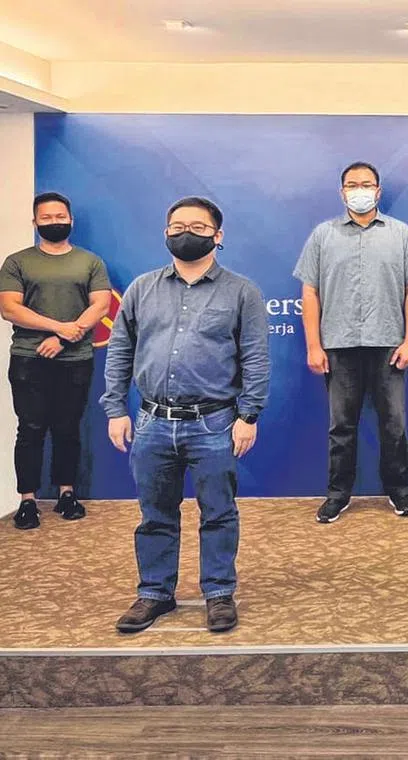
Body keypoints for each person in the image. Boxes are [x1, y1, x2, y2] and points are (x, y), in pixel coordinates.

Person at [102, 197, 269, 634]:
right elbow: (120, 349)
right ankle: (155, 592)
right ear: (165, 233)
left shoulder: (242, 291)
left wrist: (249, 415)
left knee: (218, 513)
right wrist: (115, 408)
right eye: (177, 226)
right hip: (152, 422)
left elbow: (254, 357)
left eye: (197, 226)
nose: (185, 233)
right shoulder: (142, 288)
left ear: (218, 235)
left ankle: (219, 592)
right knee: (155, 514)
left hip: (215, 422)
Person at [295, 162, 408, 523]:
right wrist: (313, 346)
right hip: (338, 345)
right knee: (341, 426)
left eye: (366, 184)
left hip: (389, 344)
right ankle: (338, 494)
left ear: (378, 191)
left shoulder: (400, 234)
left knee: (394, 424)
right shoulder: (323, 235)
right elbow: (310, 292)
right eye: (352, 185)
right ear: (342, 193)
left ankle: (398, 490)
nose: (360, 190)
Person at [0, 192, 111, 530]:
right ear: (35, 222)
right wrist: (57, 327)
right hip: (28, 359)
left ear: (71, 220)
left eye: (60, 216)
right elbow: (9, 308)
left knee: (67, 428)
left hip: (75, 359)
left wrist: (63, 338)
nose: (54, 222)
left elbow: (101, 305)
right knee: (30, 430)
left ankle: (67, 494)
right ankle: (28, 500)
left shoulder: (90, 262)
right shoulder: (17, 262)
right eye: (46, 218)